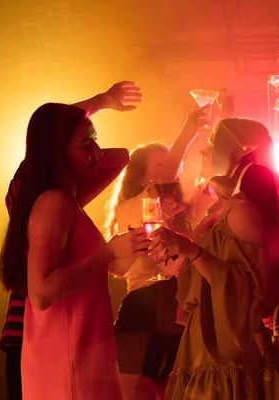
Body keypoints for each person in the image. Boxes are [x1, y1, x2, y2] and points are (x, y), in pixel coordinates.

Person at [0, 81, 143, 400]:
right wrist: (99, 102)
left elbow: (119, 156)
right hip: (54, 349)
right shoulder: (46, 199)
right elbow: (43, 292)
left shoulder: (69, 201)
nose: (97, 152)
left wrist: (127, 248)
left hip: (82, 349)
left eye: (94, 142)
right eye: (86, 144)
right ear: (54, 150)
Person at [148, 118, 279, 400]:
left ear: (238, 152)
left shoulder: (242, 212)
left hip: (225, 345)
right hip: (205, 336)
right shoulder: (222, 208)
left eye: (212, 144)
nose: (204, 152)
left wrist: (192, 251)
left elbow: (246, 291)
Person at [105, 103, 211, 400]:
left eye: (172, 166)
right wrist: (190, 129)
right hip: (144, 306)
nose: (172, 172)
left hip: (179, 305)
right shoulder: (136, 205)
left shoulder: (181, 207)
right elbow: (118, 268)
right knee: (133, 392)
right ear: (142, 180)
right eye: (160, 168)